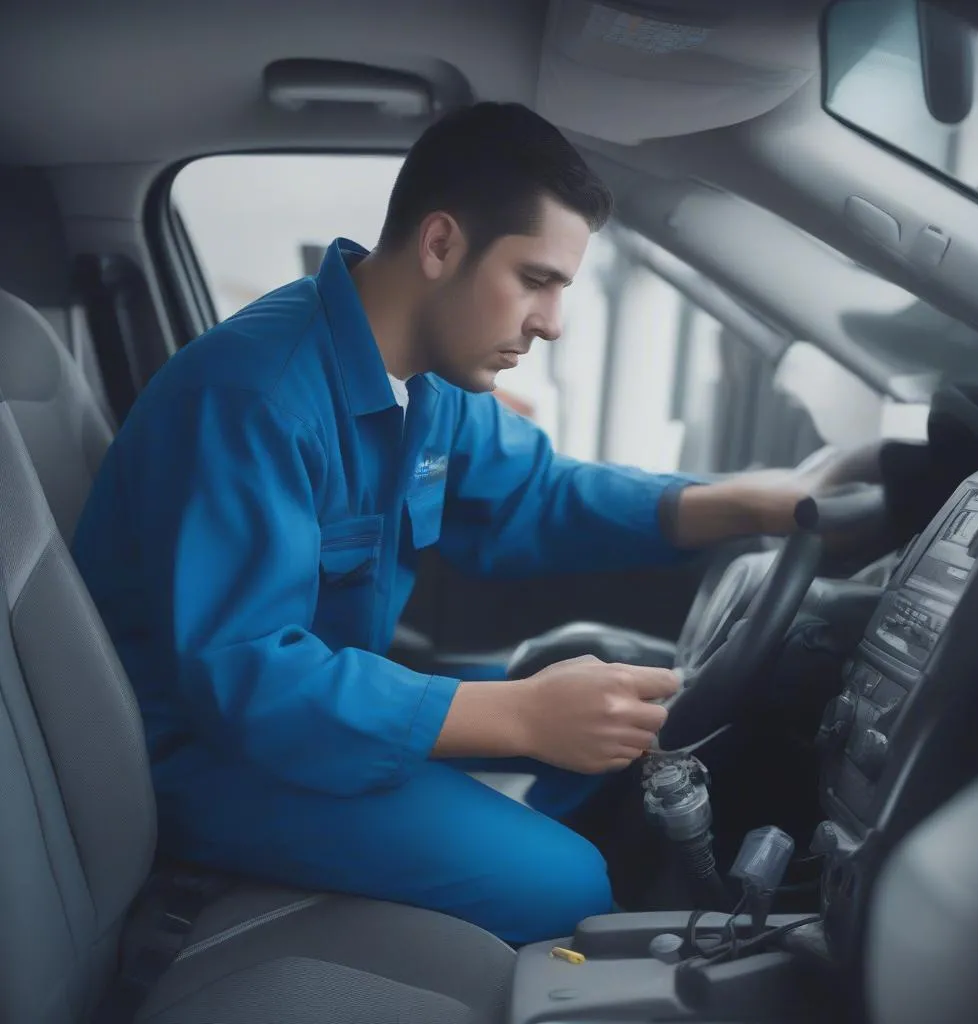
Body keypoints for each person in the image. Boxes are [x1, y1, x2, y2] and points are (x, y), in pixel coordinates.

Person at [72, 102, 840, 945]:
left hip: (314, 709)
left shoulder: (428, 384)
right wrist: (520, 717)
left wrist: (750, 499)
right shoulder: (254, 396)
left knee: (616, 716)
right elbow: (249, 681)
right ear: (440, 245)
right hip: (205, 756)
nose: (552, 321)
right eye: (537, 280)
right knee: (571, 882)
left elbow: (540, 495)